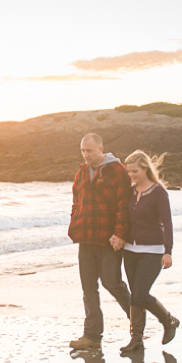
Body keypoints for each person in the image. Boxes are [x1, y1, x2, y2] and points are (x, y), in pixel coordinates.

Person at [67, 133, 131, 351]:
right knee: (88, 288)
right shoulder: (82, 172)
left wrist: (120, 234)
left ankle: (137, 322)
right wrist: (74, 224)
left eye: (90, 151)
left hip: (109, 239)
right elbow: (76, 202)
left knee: (112, 283)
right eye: (83, 151)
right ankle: (92, 336)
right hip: (85, 237)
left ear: (101, 148)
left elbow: (124, 204)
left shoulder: (117, 171)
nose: (86, 155)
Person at [119, 150, 179, 354]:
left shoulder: (159, 192)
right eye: (129, 172)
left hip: (153, 251)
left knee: (139, 294)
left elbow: (167, 224)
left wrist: (168, 251)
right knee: (135, 297)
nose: (131, 175)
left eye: (135, 171)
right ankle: (136, 339)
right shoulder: (130, 191)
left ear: (145, 168)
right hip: (130, 250)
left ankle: (168, 320)